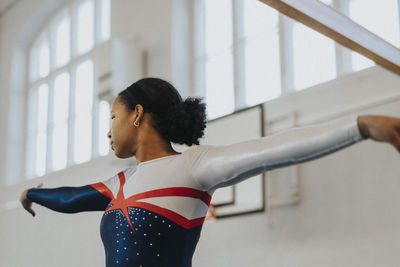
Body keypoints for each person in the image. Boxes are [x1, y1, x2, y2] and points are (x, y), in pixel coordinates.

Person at [20, 77, 400, 267]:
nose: (108, 130)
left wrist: (360, 126)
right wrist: (33, 194)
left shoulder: (192, 166)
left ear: (137, 114)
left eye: (113, 117)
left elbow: (274, 149)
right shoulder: (119, 182)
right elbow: (69, 198)